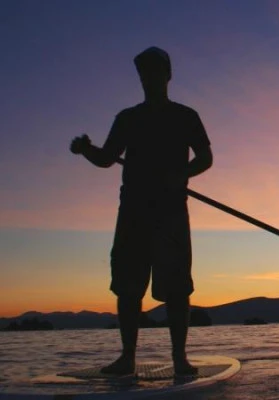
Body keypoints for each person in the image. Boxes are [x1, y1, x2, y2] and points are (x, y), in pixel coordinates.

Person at [70, 47, 213, 375]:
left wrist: (181, 175)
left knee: (176, 289)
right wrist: (85, 150)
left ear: (167, 75)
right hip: (133, 212)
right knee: (127, 286)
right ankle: (127, 358)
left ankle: (179, 358)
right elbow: (107, 158)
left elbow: (205, 158)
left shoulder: (185, 116)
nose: (149, 77)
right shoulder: (127, 118)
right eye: (143, 72)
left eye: (155, 71)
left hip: (171, 213)